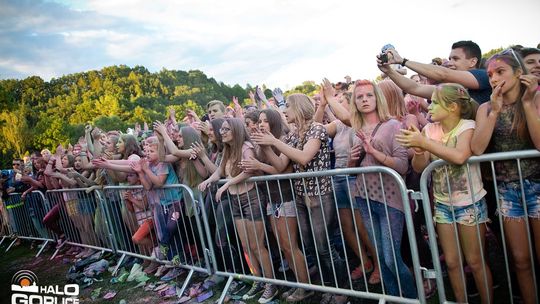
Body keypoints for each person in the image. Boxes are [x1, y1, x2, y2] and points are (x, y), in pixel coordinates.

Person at [397, 83, 492, 303]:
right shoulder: (429, 130)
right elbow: (420, 167)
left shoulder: (467, 126)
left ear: (452, 107)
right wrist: (420, 150)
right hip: (442, 205)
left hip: (469, 203)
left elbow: (459, 156)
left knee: (475, 261)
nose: (429, 107)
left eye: (435, 102)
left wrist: (425, 143)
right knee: (451, 262)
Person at [251, 94, 347, 304]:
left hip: (320, 194)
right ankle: (327, 288)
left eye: (288, 108)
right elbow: (279, 165)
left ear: (299, 108)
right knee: (311, 246)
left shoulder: (317, 129)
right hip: (301, 196)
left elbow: (304, 157)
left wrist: (274, 140)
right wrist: (266, 145)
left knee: (325, 247)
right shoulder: (294, 134)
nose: (285, 112)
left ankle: (342, 291)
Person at [471, 49, 540, 304]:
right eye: (490, 74)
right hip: (507, 190)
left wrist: (527, 104)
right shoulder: (486, 107)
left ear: (519, 73)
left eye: (501, 72)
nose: (494, 78)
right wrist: (495, 112)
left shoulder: (536, 98)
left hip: (538, 185)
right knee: (520, 259)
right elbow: (477, 149)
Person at [348, 80, 417, 299]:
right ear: (355, 102)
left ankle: (413, 297)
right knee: (380, 255)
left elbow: (403, 165)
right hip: (364, 197)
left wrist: (374, 152)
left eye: (369, 95)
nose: (365, 100)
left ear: (377, 98)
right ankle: (394, 296)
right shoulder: (355, 130)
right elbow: (353, 171)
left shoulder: (393, 125)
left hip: (390, 199)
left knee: (390, 258)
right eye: (360, 97)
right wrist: (351, 160)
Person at [199, 118, 277, 304]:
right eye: (222, 129)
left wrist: (227, 185)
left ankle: (271, 285)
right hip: (235, 201)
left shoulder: (246, 147)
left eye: (226, 129)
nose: (222, 132)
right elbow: (219, 172)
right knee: (246, 246)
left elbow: (248, 170)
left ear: (236, 130)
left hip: (251, 199)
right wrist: (210, 180)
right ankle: (257, 281)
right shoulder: (228, 150)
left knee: (258, 245)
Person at [241, 108, 313, 302]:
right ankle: (299, 284)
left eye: (265, 121)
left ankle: (305, 288)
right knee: (283, 246)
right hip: (271, 199)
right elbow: (260, 169)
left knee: (290, 245)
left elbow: (281, 167)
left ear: (273, 122)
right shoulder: (261, 143)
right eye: (260, 121)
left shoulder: (284, 140)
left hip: (286, 197)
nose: (261, 124)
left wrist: (261, 160)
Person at [380, 40, 492, 104]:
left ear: (473, 61)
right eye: (450, 59)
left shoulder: (484, 76)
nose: (450, 62)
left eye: (455, 59)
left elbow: (443, 74)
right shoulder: (453, 89)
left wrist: (402, 61)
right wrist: (389, 71)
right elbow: (414, 88)